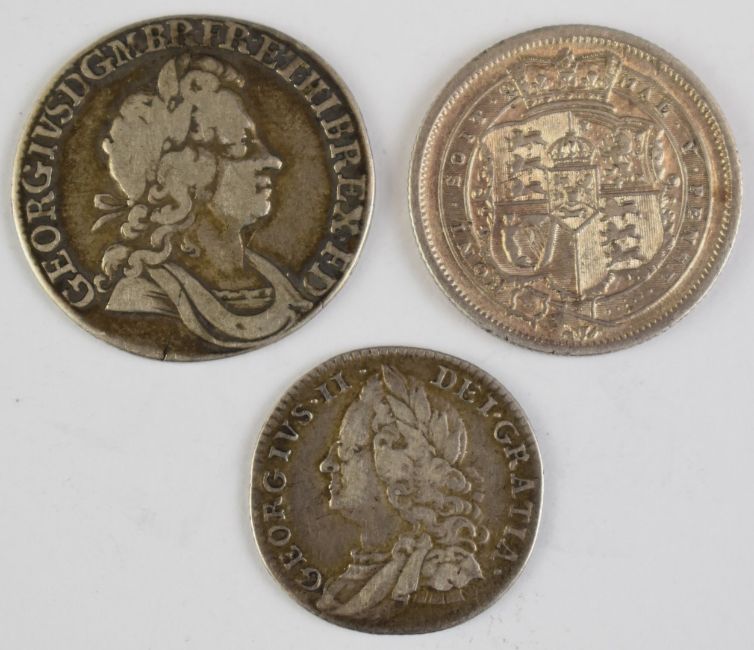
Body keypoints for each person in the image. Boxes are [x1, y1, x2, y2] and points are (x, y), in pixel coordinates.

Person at [92, 54, 311, 349]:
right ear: (188, 176)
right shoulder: (146, 297)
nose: (273, 161)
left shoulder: (277, 280)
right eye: (245, 145)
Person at [317, 366, 485, 619]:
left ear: (395, 469)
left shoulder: (441, 575)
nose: (327, 465)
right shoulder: (354, 576)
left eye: (347, 449)